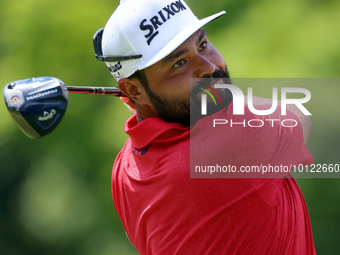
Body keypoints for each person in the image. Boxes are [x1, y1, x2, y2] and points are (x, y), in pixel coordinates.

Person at [94, 0, 316, 254]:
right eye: (179, 63)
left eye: (202, 45)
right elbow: (299, 115)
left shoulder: (124, 169)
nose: (208, 67)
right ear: (133, 89)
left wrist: (145, 100)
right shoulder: (237, 138)